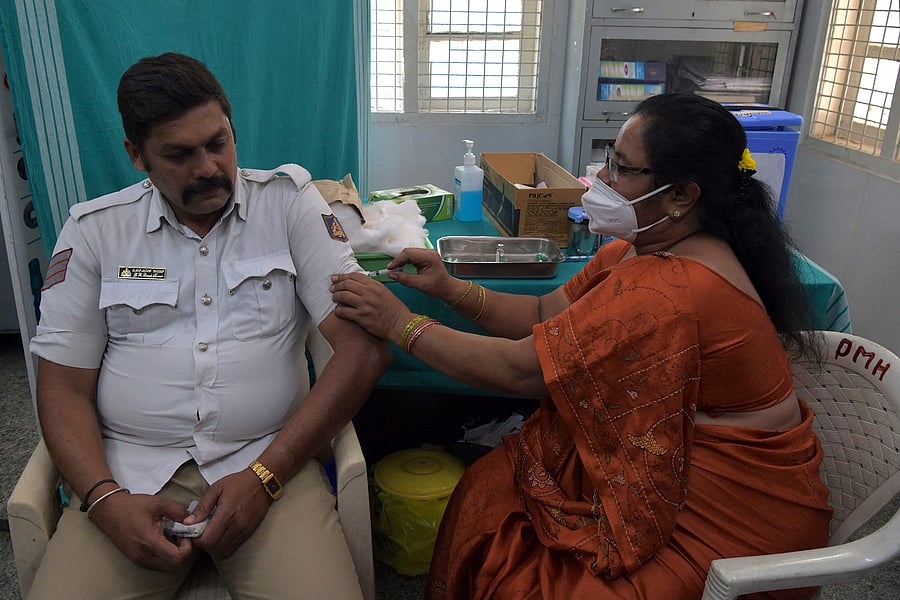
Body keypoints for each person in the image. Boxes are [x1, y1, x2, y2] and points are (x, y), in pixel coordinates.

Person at [330, 93, 832, 600]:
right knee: (491, 488)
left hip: (728, 515)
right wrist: (448, 288)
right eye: (607, 160)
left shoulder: (670, 289)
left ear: (681, 195)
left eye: (621, 169)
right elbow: (544, 314)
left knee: (524, 575)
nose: (600, 181)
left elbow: (521, 372)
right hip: (670, 470)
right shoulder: (633, 249)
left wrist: (399, 323)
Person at [28, 52, 391, 599]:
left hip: (270, 464)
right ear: (136, 155)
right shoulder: (94, 232)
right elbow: (61, 388)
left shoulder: (289, 205)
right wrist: (104, 500)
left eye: (218, 144)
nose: (206, 168)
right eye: (179, 154)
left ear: (232, 128)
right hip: (129, 475)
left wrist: (266, 477)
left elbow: (364, 351)